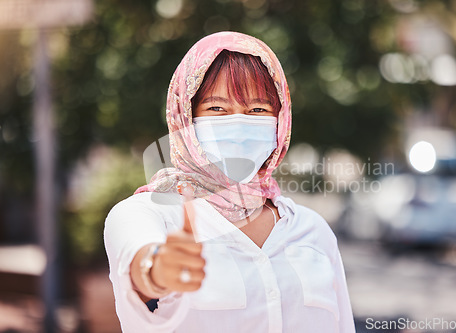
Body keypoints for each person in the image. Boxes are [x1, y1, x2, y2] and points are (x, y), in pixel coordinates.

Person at [104, 31, 355, 333]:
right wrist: (157, 269)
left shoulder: (313, 231)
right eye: (217, 109)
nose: (238, 124)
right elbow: (138, 263)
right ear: (185, 117)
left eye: (258, 110)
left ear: (281, 120)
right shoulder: (148, 214)